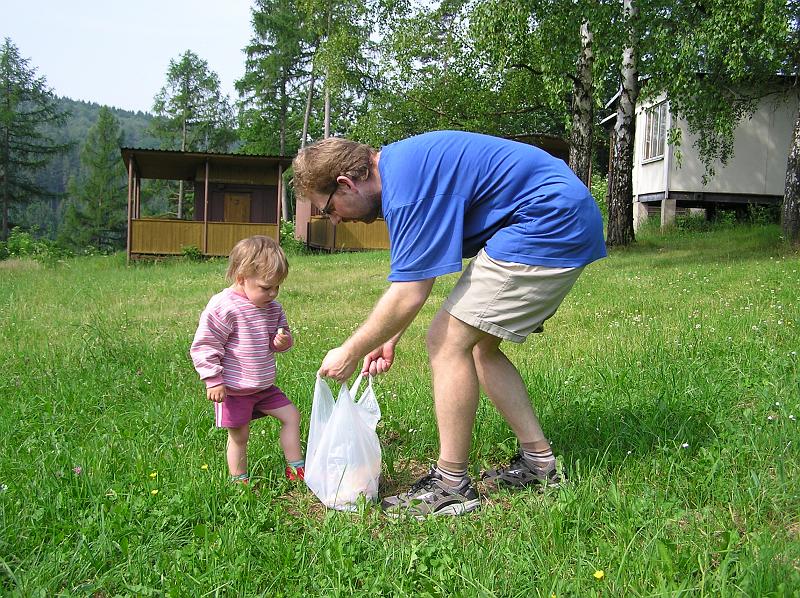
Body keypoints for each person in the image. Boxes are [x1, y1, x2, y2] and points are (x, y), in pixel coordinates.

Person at [292, 130, 606, 517]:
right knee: (477, 347)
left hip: (547, 221)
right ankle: (540, 465)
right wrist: (389, 337)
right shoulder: (403, 170)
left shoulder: (408, 190)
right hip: (558, 214)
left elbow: (409, 293)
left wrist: (350, 351)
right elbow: (421, 271)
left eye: (329, 208)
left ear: (345, 183)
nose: (335, 220)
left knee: (445, 342)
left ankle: (451, 486)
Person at [190, 235, 304, 485]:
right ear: (241, 278)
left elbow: (281, 334)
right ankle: (239, 481)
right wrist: (213, 379)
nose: (273, 293)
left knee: (291, 416)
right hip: (234, 390)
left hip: (264, 387)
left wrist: (282, 341)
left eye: (277, 287)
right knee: (240, 436)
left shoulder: (273, 307)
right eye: (266, 287)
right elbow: (205, 344)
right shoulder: (224, 306)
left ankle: (296, 471)